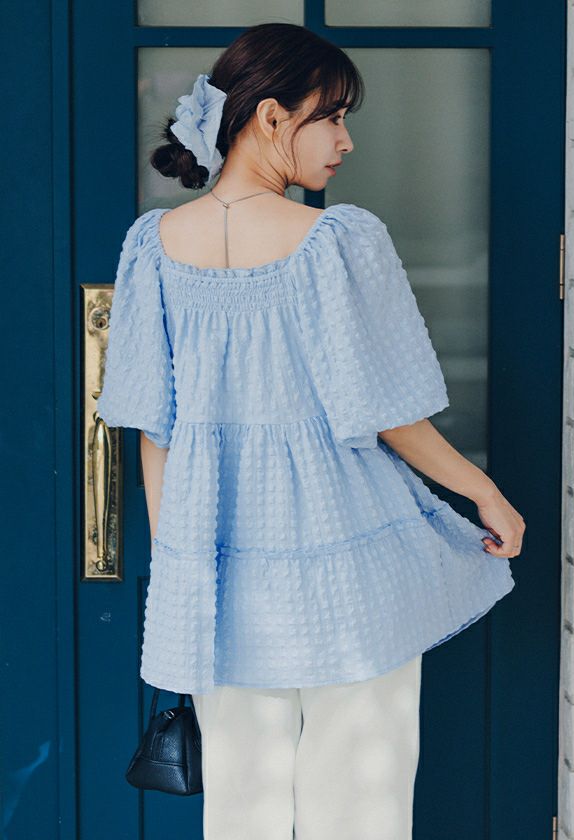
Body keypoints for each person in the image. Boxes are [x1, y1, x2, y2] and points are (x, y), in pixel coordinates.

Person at [96, 21, 525, 840]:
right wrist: (485, 493)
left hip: (218, 570)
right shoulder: (337, 241)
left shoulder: (152, 247)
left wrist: (180, 562)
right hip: (349, 558)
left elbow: (155, 431)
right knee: (362, 801)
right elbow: (391, 414)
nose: (345, 141)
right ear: (269, 117)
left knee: (243, 805)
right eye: (332, 117)